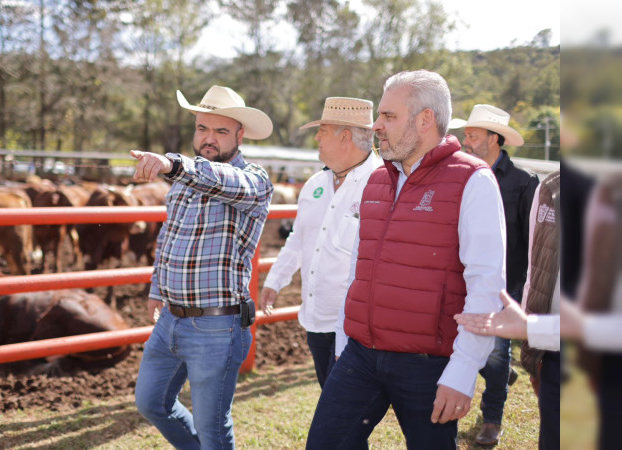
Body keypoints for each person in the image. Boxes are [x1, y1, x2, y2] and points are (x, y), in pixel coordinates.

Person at [306, 70, 505, 450]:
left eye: (389, 117)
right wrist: (344, 341)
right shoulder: (376, 180)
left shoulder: (473, 180)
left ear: (425, 120)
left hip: (427, 363)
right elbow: (358, 269)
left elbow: (486, 285)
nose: (377, 126)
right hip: (361, 355)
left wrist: (462, 372)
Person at [130, 85, 274, 449]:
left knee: (212, 425)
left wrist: (173, 164)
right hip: (170, 321)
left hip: (217, 324)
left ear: (240, 135)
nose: (208, 139)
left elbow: (219, 178)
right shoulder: (182, 183)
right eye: (202, 129)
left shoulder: (253, 181)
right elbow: (169, 235)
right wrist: (157, 288)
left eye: (221, 131)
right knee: (151, 402)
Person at [260, 97, 382, 388]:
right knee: (335, 406)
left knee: (341, 416)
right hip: (316, 319)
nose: (316, 137)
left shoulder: (382, 185)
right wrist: (275, 280)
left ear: (346, 137)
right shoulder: (315, 184)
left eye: (323, 130)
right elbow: (299, 238)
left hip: (356, 329)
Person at [450, 104, 539, 446]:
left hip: (508, 285)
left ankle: (492, 421)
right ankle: (498, 378)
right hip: (466, 277)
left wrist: (527, 289)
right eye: (466, 134)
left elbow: (534, 240)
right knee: (477, 345)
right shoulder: (461, 175)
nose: (466, 140)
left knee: (498, 352)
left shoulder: (523, 182)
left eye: (472, 135)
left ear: (494, 139)